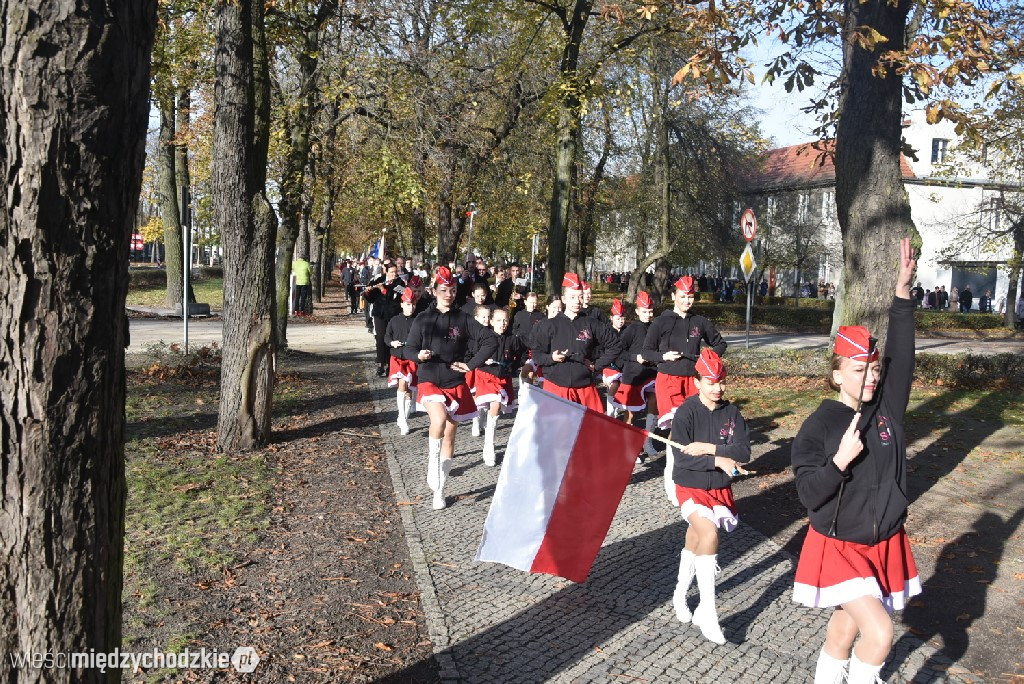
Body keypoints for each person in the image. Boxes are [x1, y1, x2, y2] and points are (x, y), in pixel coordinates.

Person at [791, 238, 921, 684]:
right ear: (836, 374)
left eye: (872, 368)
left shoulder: (886, 411)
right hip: (840, 545)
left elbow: (901, 356)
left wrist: (902, 294)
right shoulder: (819, 426)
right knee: (880, 634)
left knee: (847, 631)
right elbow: (808, 493)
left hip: (883, 542)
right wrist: (839, 462)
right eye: (858, 369)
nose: (869, 378)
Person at [667, 348, 750, 645]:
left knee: (696, 538)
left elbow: (743, 452)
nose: (717, 388)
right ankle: (708, 611)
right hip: (689, 485)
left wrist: (709, 448)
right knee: (709, 532)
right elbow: (682, 459)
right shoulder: (687, 412)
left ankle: (679, 595)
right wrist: (719, 460)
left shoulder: (732, 412)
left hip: (719, 488)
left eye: (721, 382)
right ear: (697, 382)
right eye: (710, 382)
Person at [406, 267, 497, 509]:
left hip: (455, 381)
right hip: (429, 378)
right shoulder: (423, 318)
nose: (448, 294)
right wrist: (419, 355)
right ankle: (432, 461)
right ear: (434, 291)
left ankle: (440, 489)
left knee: (450, 433)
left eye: (453, 290)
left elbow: (491, 340)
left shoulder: (464, 318)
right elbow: (408, 349)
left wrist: (471, 365)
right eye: (444, 290)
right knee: (439, 420)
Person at [642, 275, 727, 429]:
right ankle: (674, 452)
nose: (687, 301)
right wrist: (663, 356)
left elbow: (720, 344)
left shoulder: (699, 321)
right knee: (678, 427)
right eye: (682, 296)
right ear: (673, 296)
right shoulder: (661, 322)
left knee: (693, 426)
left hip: (693, 381)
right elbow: (646, 352)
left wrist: (708, 359)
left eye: (690, 297)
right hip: (668, 380)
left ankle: (687, 452)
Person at [531, 273, 621, 412]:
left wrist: (596, 365)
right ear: (564, 299)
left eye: (580, 296)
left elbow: (615, 345)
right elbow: (536, 354)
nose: (577, 301)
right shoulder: (549, 325)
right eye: (572, 297)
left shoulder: (592, 323)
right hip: (556, 387)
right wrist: (551, 358)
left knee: (589, 431)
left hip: (584, 387)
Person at [474, 308, 527, 465]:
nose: (502, 324)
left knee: (496, 407)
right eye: (498, 320)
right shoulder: (483, 337)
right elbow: (470, 354)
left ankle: (488, 446)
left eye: (505, 321)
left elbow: (522, 354)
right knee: (491, 405)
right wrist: (483, 360)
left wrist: (513, 366)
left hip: (503, 377)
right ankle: (484, 428)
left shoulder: (513, 339)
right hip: (485, 375)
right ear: (491, 321)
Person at [612, 291, 659, 458]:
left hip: (652, 373)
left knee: (654, 400)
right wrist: (635, 358)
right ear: (638, 311)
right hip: (633, 375)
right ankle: (629, 445)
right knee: (631, 413)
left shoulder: (656, 328)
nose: (648, 315)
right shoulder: (632, 329)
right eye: (644, 312)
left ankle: (647, 440)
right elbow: (618, 351)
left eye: (650, 311)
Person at [385, 288, 420, 435]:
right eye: (407, 304)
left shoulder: (418, 321)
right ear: (401, 304)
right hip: (398, 358)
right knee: (402, 384)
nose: (410, 307)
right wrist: (392, 343)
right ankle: (403, 419)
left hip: (411, 358)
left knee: (409, 390)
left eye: (412, 304)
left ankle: (403, 416)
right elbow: (386, 336)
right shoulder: (394, 320)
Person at [364, 263, 404, 377]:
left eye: (395, 272)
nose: (394, 274)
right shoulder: (379, 280)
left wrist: (384, 290)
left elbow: (395, 299)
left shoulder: (399, 283)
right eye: (391, 272)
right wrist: (368, 291)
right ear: (386, 272)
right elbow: (371, 298)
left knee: (391, 339)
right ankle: (381, 363)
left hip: (392, 315)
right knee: (380, 338)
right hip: (379, 314)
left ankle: (390, 364)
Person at [601, 299, 628, 416]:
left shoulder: (627, 331)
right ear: (611, 318)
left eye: (622, 318)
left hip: (624, 366)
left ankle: (617, 406)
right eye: (618, 318)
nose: (621, 321)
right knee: (615, 384)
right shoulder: (606, 331)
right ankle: (610, 411)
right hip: (609, 366)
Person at [513, 291, 545, 385]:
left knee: (531, 372)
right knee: (526, 370)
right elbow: (514, 329)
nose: (533, 305)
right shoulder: (519, 315)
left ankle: (529, 390)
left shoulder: (541, 316)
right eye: (531, 302)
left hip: (535, 347)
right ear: (525, 302)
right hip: (522, 347)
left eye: (535, 302)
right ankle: (523, 384)